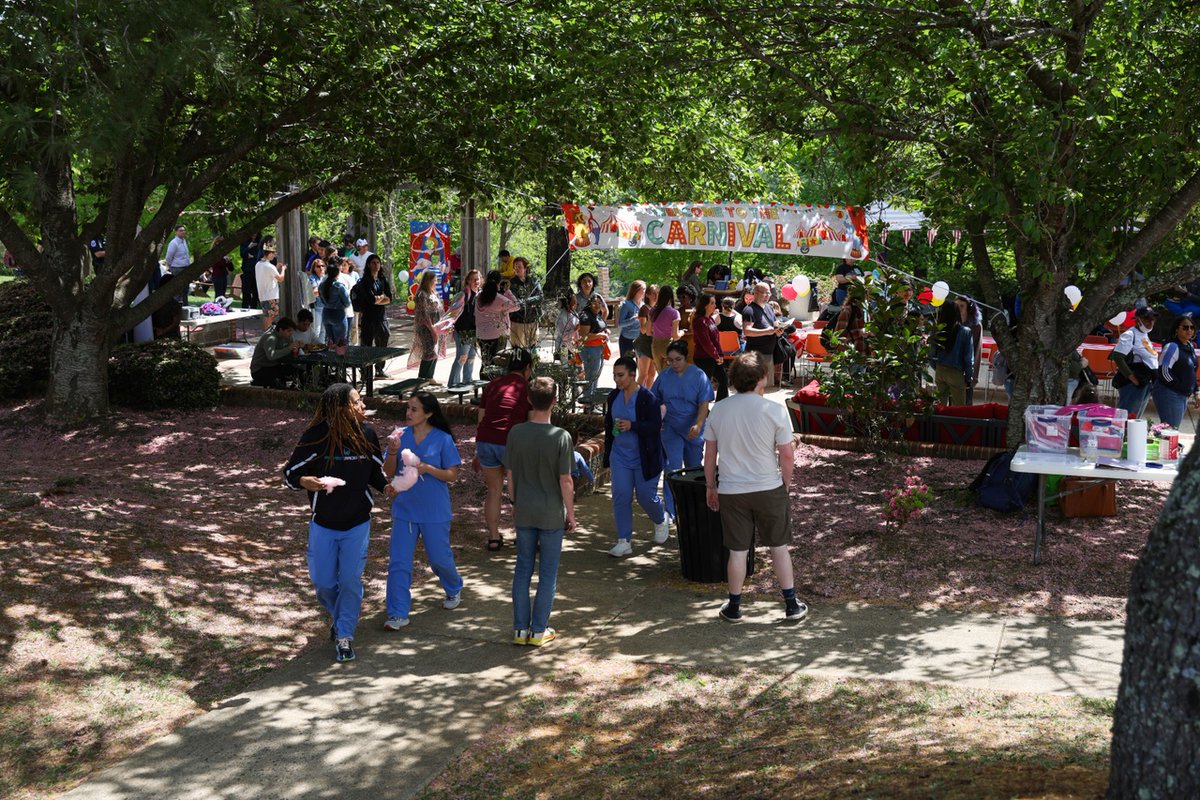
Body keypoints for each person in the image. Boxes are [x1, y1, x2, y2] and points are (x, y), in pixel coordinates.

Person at [284, 383, 390, 662]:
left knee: (351, 580)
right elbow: (290, 473)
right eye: (357, 402)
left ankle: (345, 635)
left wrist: (389, 488)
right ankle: (339, 615)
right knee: (323, 582)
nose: (363, 406)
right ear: (341, 408)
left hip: (357, 523)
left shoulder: (366, 434)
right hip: (324, 525)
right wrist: (305, 481)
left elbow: (376, 475)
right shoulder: (317, 437)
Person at [703, 352, 807, 624]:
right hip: (768, 486)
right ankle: (791, 603)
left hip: (732, 489)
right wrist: (785, 483)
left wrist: (711, 486)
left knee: (737, 551)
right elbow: (786, 454)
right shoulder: (773, 411)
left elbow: (709, 454)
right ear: (761, 378)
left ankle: (734, 606)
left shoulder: (720, 410)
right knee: (778, 547)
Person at [382, 392, 464, 631]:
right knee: (399, 563)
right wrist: (394, 451)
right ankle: (397, 613)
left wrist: (428, 468)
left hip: (434, 510)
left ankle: (454, 586)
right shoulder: (399, 436)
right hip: (405, 510)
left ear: (428, 413)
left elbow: (452, 474)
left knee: (439, 559)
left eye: (414, 409)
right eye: (408, 408)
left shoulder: (442, 439)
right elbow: (388, 472)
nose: (408, 413)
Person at [505, 377, 575, 646]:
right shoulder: (561, 437)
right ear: (554, 401)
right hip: (550, 513)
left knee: (522, 569)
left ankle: (520, 629)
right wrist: (571, 513)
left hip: (525, 508)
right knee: (548, 572)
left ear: (528, 400)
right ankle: (538, 630)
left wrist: (514, 502)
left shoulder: (516, 433)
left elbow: (510, 473)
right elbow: (565, 480)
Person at [603, 356, 670, 558]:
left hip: (645, 456)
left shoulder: (647, 398)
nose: (617, 380)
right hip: (620, 456)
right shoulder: (613, 397)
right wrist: (610, 447)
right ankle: (624, 541)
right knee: (621, 496)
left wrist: (633, 426)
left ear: (633, 375)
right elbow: (610, 426)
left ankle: (660, 519)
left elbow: (654, 426)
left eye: (621, 375)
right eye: (614, 375)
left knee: (644, 496)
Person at [477, 348, 534, 551]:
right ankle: (522, 535)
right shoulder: (527, 389)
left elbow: (481, 418)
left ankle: (493, 537)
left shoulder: (492, 385)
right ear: (528, 368)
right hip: (511, 441)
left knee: (494, 491)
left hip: (486, 438)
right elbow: (531, 422)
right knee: (518, 492)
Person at [653, 341, 714, 521]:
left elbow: (704, 403)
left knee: (694, 467)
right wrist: (658, 419)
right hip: (670, 426)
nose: (674, 364)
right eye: (670, 360)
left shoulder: (698, 375)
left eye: (678, 359)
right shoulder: (664, 376)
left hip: (694, 427)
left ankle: (695, 506)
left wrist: (698, 423)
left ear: (686, 357)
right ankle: (671, 510)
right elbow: (653, 399)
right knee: (672, 467)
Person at [1112, 306, 1161, 418]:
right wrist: (1131, 377)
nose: (1151, 322)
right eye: (1147, 319)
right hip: (1134, 384)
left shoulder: (1144, 334)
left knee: (1135, 418)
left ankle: (1128, 435)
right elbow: (1118, 356)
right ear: (1138, 319)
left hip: (1145, 382)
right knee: (1127, 417)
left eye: (1153, 319)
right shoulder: (1130, 334)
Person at [1152, 314, 1198, 428]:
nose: (1189, 330)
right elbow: (1163, 371)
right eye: (1185, 327)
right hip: (1169, 394)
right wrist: (1179, 387)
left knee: (1170, 430)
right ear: (1177, 329)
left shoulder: (1190, 346)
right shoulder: (1172, 346)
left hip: (1181, 394)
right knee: (1170, 430)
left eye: (1192, 327)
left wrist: (1195, 391)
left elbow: (1191, 372)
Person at [931, 301, 974, 405]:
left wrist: (937, 367)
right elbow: (968, 358)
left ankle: (940, 421)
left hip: (940, 370)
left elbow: (931, 354)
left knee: (941, 405)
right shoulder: (965, 331)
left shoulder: (936, 330)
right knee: (958, 408)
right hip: (956, 372)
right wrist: (968, 378)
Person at [476, 270, 520, 368]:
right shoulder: (499, 298)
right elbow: (517, 306)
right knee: (497, 364)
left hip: (482, 335)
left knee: (485, 362)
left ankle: (484, 382)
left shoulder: (478, 296)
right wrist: (508, 292)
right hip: (497, 335)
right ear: (499, 282)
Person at [355, 254, 392, 363]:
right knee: (366, 345)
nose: (376, 265)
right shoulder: (365, 281)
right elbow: (371, 300)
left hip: (381, 317)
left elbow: (389, 298)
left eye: (378, 263)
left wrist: (378, 299)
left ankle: (379, 369)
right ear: (368, 265)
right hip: (368, 317)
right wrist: (381, 298)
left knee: (383, 340)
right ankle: (365, 372)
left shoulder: (382, 279)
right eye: (373, 263)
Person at [692, 293, 729, 400]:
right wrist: (716, 356)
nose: (715, 305)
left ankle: (720, 405)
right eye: (712, 303)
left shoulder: (710, 319)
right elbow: (706, 343)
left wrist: (720, 354)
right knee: (704, 385)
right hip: (703, 358)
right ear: (705, 305)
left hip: (713, 357)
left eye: (714, 303)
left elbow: (716, 339)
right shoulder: (700, 321)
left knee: (723, 380)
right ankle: (702, 409)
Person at [448, 269, 481, 388]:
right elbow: (452, 312)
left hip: (473, 331)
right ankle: (453, 383)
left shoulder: (479, 294)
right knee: (462, 357)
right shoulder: (463, 295)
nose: (476, 282)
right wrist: (448, 326)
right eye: (473, 279)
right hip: (463, 331)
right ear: (468, 281)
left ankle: (467, 380)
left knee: (471, 357)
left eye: (478, 279)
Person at [741, 283, 780, 380]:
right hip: (755, 354)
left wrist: (778, 331)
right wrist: (767, 331)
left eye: (769, 293)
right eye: (765, 293)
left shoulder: (769, 307)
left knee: (766, 386)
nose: (767, 295)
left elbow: (775, 324)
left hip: (769, 352)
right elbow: (747, 331)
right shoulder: (749, 310)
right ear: (756, 293)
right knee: (755, 385)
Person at [250, 317, 300, 388]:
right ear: (280, 330)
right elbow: (272, 356)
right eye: (289, 331)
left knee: (297, 372)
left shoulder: (286, 337)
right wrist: (289, 348)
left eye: (291, 331)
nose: (291, 333)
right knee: (280, 379)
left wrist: (295, 349)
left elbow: (286, 352)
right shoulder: (270, 338)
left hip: (273, 366)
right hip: (259, 369)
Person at [577, 294, 610, 393]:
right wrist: (600, 335)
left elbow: (602, 325)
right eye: (594, 303)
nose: (597, 305)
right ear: (589, 303)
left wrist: (606, 331)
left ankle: (593, 399)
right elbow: (584, 336)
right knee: (591, 376)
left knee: (596, 375)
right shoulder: (585, 315)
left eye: (599, 303)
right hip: (589, 349)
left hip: (598, 348)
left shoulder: (597, 314)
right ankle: (587, 401)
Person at [508, 257, 543, 349]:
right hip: (517, 321)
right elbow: (516, 302)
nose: (516, 269)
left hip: (532, 320)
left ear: (525, 268)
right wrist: (531, 303)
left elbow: (540, 297)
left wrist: (527, 301)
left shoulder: (534, 281)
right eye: (515, 267)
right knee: (517, 350)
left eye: (519, 267)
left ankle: (533, 363)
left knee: (533, 348)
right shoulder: (510, 284)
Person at [956, 295, 984, 402]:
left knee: (966, 402)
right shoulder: (953, 322)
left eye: (962, 306)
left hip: (967, 369)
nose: (958, 308)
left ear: (969, 307)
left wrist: (973, 376)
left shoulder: (976, 326)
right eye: (956, 306)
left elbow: (977, 351)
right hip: (953, 368)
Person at [255, 243, 286, 329]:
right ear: (269, 253)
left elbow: (269, 276)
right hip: (271, 295)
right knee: (271, 316)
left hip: (262, 295)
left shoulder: (258, 264)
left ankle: (266, 334)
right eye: (273, 253)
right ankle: (267, 334)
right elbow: (280, 278)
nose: (274, 255)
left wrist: (276, 268)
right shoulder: (269, 266)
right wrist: (283, 269)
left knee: (266, 316)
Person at [650, 285, 680, 373]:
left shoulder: (653, 311)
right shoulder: (674, 313)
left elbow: (648, 332)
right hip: (668, 345)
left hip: (655, 345)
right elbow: (676, 336)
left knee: (660, 375)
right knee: (670, 376)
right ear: (671, 297)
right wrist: (681, 332)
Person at [319, 261, 351, 344]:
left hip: (326, 314)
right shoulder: (339, 286)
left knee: (330, 343)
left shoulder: (321, 285)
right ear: (337, 273)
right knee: (341, 343)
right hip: (338, 314)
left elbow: (322, 300)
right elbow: (347, 302)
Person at [635, 285, 659, 388]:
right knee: (643, 375)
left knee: (652, 374)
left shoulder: (657, 308)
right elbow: (643, 330)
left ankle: (648, 397)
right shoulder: (644, 309)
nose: (656, 295)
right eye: (653, 293)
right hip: (644, 344)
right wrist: (651, 317)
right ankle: (636, 398)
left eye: (657, 293)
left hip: (654, 343)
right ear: (648, 295)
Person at [617, 281, 646, 358]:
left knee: (640, 367)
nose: (645, 291)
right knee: (627, 366)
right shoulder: (626, 304)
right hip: (627, 340)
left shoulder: (644, 305)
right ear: (636, 290)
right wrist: (634, 319)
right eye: (643, 289)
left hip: (640, 340)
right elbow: (620, 323)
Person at [151, 274, 183, 339]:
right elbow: (176, 322)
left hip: (166, 335)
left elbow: (176, 322)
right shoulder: (173, 303)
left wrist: (163, 331)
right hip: (164, 336)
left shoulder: (173, 303)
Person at [164, 224, 191, 301]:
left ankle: (185, 306)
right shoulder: (174, 243)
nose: (183, 232)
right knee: (178, 290)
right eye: (181, 230)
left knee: (185, 289)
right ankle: (177, 307)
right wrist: (172, 267)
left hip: (186, 268)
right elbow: (168, 257)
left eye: (184, 230)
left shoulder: (184, 241)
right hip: (177, 268)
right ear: (176, 232)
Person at [554, 292, 580, 358]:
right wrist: (575, 329)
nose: (575, 304)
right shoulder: (562, 317)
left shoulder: (574, 313)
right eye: (573, 302)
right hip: (564, 347)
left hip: (573, 344)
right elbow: (563, 337)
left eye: (575, 302)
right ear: (567, 303)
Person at [239, 233, 262, 309]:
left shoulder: (260, 243)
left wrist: (252, 256)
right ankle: (245, 308)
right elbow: (242, 254)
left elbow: (261, 256)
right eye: (253, 233)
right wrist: (249, 247)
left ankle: (253, 310)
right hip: (246, 270)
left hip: (256, 271)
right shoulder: (244, 242)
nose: (254, 235)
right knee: (246, 291)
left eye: (256, 233)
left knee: (255, 292)